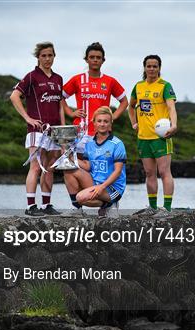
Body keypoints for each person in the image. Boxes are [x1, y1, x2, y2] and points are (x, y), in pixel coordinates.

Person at [61, 42, 128, 214]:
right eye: (92, 57)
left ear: (103, 60)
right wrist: (70, 112)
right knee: (71, 168)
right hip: (81, 135)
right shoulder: (78, 79)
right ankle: (77, 209)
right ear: (87, 59)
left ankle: (107, 200)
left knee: (102, 167)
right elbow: (61, 96)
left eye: (98, 57)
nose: (95, 60)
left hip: (100, 134)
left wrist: (113, 117)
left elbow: (124, 101)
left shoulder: (109, 81)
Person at [10, 41, 64, 216]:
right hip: (37, 131)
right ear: (38, 57)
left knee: (50, 168)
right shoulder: (32, 76)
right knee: (35, 167)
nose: (47, 59)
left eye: (50, 55)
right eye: (44, 56)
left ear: (54, 56)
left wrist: (63, 130)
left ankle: (46, 205)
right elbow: (14, 96)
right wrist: (27, 118)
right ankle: (31, 206)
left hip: (55, 130)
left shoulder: (58, 79)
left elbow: (60, 106)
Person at [128, 55, 178, 212]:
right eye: (148, 66)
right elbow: (130, 106)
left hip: (160, 137)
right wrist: (134, 123)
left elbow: (171, 108)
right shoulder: (138, 86)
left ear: (159, 68)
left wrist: (174, 125)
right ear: (144, 68)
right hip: (143, 137)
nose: (151, 69)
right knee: (150, 173)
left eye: (155, 66)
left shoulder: (165, 86)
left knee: (164, 172)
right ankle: (152, 206)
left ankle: (167, 208)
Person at [63, 106, 126, 217]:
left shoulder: (117, 144)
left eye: (106, 121)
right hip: (94, 182)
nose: (102, 124)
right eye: (99, 121)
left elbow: (118, 171)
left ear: (110, 124)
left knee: (80, 197)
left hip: (111, 188)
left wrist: (101, 187)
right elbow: (87, 166)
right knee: (69, 170)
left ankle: (111, 202)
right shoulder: (90, 143)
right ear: (94, 123)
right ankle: (80, 208)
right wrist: (71, 157)